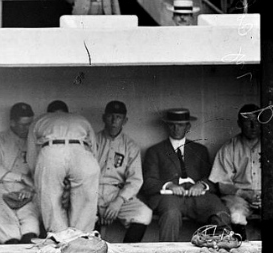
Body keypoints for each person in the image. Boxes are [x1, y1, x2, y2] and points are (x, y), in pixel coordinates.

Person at [142, 108, 231, 242]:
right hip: (170, 198)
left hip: (197, 197)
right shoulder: (155, 151)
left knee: (219, 210)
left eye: (181, 125)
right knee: (171, 215)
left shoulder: (200, 150)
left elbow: (212, 179)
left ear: (188, 126)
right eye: (172, 125)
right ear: (167, 126)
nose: (176, 128)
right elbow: (148, 182)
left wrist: (201, 185)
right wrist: (169, 185)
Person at [26, 100, 100, 234]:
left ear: (49, 113)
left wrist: (38, 175)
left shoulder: (41, 120)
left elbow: (31, 157)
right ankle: (81, 238)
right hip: (81, 151)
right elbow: (94, 150)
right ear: (67, 112)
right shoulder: (81, 119)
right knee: (85, 203)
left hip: (51, 151)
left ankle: (58, 237)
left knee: (51, 200)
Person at [0, 103, 41, 244]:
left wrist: (30, 188)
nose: (27, 128)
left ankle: (28, 240)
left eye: (30, 124)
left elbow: (40, 171)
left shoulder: (35, 143)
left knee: (30, 217)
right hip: (0, 188)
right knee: (2, 218)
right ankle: (12, 243)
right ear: (12, 123)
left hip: (25, 190)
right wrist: (20, 177)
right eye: (23, 125)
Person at [94, 101, 152, 243]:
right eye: (110, 116)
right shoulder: (92, 141)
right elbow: (83, 175)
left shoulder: (130, 146)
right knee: (86, 216)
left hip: (117, 193)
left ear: (124, 120)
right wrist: (96, 204)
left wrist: (117, 202)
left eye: (118, 117)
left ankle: (127, 252)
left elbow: (135, 179)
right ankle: (91, 252)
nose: (114, 121)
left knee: (144, 213)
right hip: (92, 192)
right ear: (103, 117)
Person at [208, 104, 261, 240]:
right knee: (236, 214)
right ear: (239, 124)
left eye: (256, 120)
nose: (253, 126)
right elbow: (222, 184)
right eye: (247, 121)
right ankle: (240, 245)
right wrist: (246, 194)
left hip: (266, 196)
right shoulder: (229, 148)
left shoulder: (269, 144)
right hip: (239, 196)